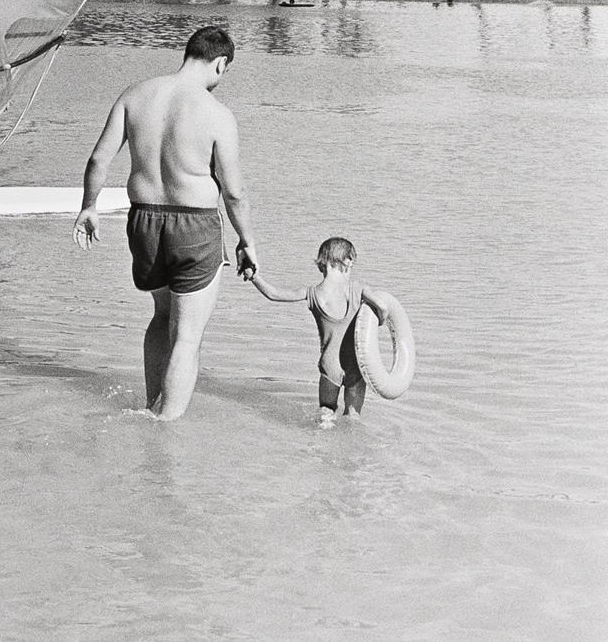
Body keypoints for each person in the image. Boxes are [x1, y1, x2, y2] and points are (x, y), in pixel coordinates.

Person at [73, 25, 260, 421]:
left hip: (143, 222)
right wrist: (247, 240)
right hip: (194, 227)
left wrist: (89, 207)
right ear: (221, 64)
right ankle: (163, 428)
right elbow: (234, 191)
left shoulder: (134, 95)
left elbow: (97, 160)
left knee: (161, 318)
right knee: (187, 336)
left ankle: (149, 406)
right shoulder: (217, 114)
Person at [239, 236, 391, 426]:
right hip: (356, 368)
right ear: (347, 261)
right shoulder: (358, 289)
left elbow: (273, 295)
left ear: (322, 263)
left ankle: (322, 451)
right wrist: (380, 323)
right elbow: (383, 306)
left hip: (330, 367)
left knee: (326, 415)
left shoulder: (313, 293)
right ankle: (352, 454)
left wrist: (253, 276)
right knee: (353, 419)